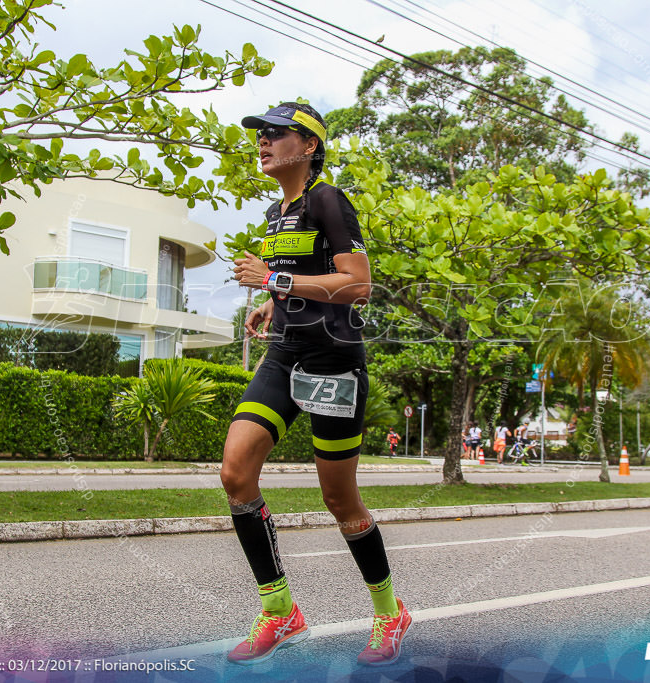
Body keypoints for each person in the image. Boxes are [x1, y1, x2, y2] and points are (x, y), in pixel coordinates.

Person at [222, 102, 410, 667]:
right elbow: (305, 281)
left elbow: (358, 285)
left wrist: (274, 277)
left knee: (339, 499)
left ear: (308, 147)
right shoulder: (277, 212)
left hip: (334, 363)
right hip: (285, 354)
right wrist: (268, 303)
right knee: (235, 473)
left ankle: (389, 611)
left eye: (276, 135)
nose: (263, 142)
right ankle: (279, 608)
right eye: (260, 135)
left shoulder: (327, 199)